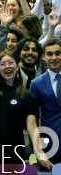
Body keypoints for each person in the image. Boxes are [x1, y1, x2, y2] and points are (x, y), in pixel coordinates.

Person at [0, 16, 54, 171]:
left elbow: (32, 127)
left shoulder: (27, 96)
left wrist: (40, 153)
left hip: (13, 151)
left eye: (11, 63)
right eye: (3, 64)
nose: (7, 66)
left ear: (17, 66)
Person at [29, 38, 61, 166]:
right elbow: (32, 121)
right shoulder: (36, 84)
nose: (54, 57)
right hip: (50, 143)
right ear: (43, 57)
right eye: (49, 54)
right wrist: (39, 150)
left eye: (58, 53)